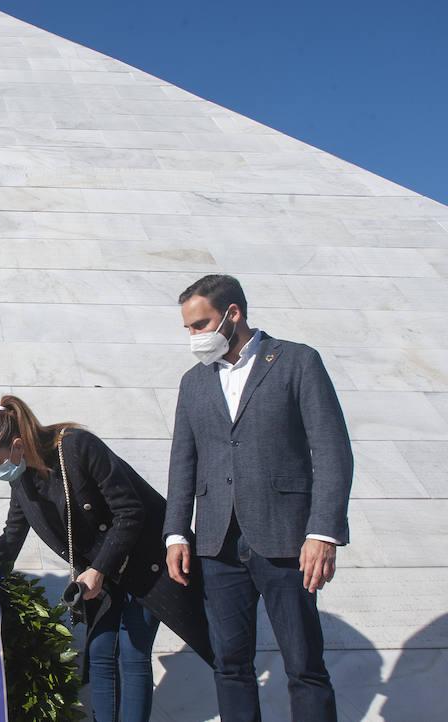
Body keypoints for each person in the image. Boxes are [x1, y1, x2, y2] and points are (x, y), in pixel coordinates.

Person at [165, 274, 353, 722]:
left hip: (288, 539)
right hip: (216, 544)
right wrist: (175, 532)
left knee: (304, 665)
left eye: (201, 324)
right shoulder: (193, 383)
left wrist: (322, 531)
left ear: (233, 314)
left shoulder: (297, 362)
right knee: (230, 666)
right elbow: (182, 463)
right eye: (189, 328)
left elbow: (331, 450)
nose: (195, 336)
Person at [0, 395, 212, 722]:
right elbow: (13, 533)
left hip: (145, 561)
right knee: (100, 652)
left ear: (17, 444)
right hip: (101, 573)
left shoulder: (75, 446)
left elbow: (130, 510)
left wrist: (99, 569)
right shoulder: (22, 479)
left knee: (132, 654)